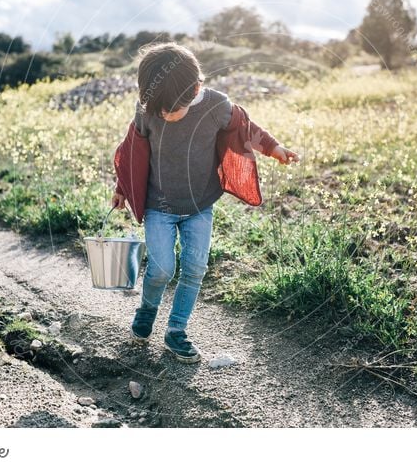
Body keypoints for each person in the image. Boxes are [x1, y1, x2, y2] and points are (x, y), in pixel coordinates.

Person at [111, 42, 299, 363]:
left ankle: (176, 330)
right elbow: (133, 152)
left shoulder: (215, 106)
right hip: (159, 206)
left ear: (196, 88)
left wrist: (274, 147)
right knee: (161, 269)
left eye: (172, 110)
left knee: (195, 268)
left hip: (199, 206)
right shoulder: (148, 109)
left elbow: (245, 127)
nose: (165, 116)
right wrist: (122, 188)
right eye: (159, 111)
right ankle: (147, 309)